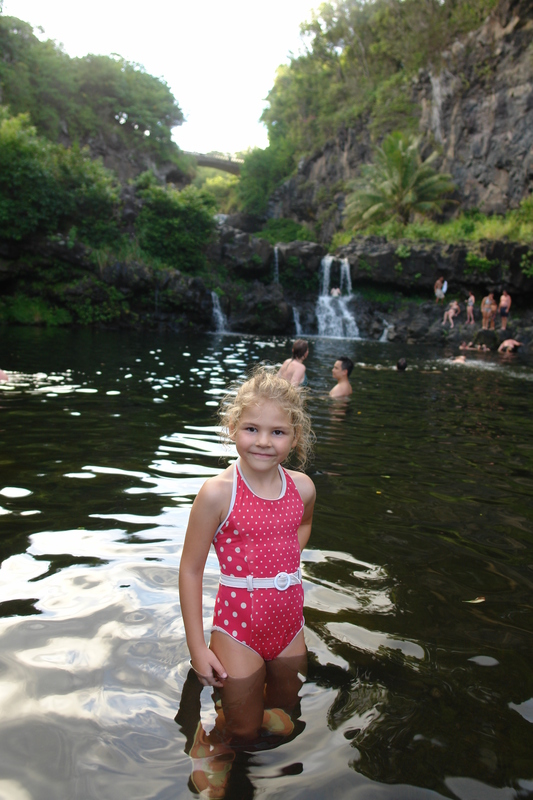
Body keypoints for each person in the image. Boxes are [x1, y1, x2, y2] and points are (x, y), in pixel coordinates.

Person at [179, 368, 316, 789]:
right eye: (252, 428)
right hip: (240, 627)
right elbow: (190, 568)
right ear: (232, 428)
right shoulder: (218, 493)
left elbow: (301, 526)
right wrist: (197, 647)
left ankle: (252, 721)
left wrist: (282, 561)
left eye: (277, 432)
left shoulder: (303, 487)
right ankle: (212, 740)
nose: (263, 441)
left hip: (289, 624)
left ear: (294, 438)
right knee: (242, 731)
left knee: (284, 711)